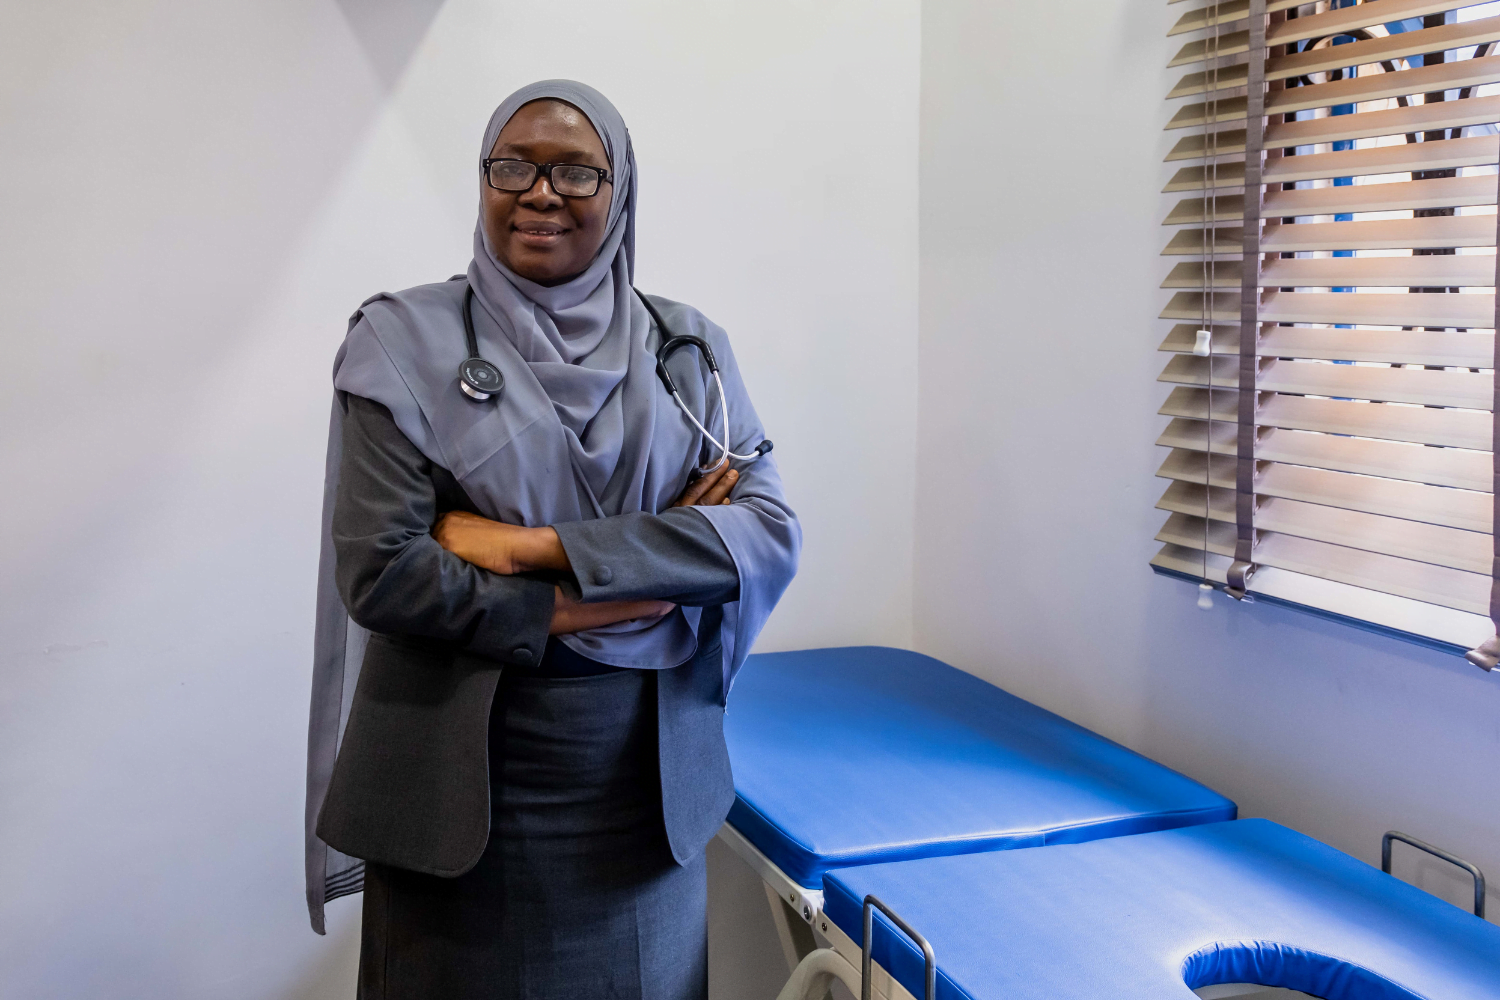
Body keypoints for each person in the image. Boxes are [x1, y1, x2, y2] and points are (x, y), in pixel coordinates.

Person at [301, 80, 800, 1000]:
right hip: (454, 786)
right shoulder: (400, 343)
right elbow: (385, 571)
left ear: (620, 193)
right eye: (512, 165)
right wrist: (594, 597)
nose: (540, 192)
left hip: (642, 790)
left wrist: (523, 548)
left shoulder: (684, 350)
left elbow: (763, 532)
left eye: (576, 170)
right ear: (483, 180)